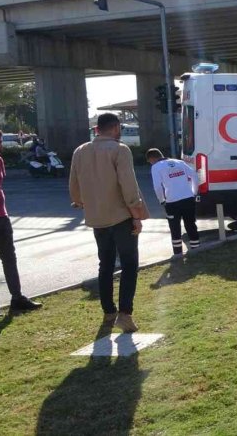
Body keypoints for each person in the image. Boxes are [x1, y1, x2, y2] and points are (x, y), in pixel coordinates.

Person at [70, 113, 149, 333]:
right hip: (121, 216)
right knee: (129, 264)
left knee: (105, 265)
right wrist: (136, 215)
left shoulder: (80, 151)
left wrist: (80, 201)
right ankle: (125, 313)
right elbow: (128, 185)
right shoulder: (120, 149)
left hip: (97, 218)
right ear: (115, 128)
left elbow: (74, 184)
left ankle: (108, 311)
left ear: (97, 129)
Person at [0, 127, 43, 319]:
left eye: (0, 142)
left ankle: (17, 298)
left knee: (9, 259)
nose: (0, 146)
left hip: (1, 217)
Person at [148, 148, 200, 256]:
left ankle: (178, 254)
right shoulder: (179, 162)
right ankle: (196, 249)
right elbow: (194, 176)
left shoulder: (156, 167)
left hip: (172, 202)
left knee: (175, 228)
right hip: (188, 198)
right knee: (191, 224)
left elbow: (157, 187)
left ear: (152, 159)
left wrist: (162, 200)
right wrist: (194, 193)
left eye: (150, 162)